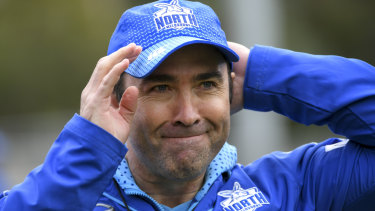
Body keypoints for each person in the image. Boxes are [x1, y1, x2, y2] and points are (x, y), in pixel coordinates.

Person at [1, 0, 375, 210]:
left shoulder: (295, 186)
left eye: (207, 84)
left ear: (231, 90)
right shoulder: (67, 194)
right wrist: (89, 146)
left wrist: (266, 74)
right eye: (160, 87)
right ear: (115, 98)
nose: (188, 114)